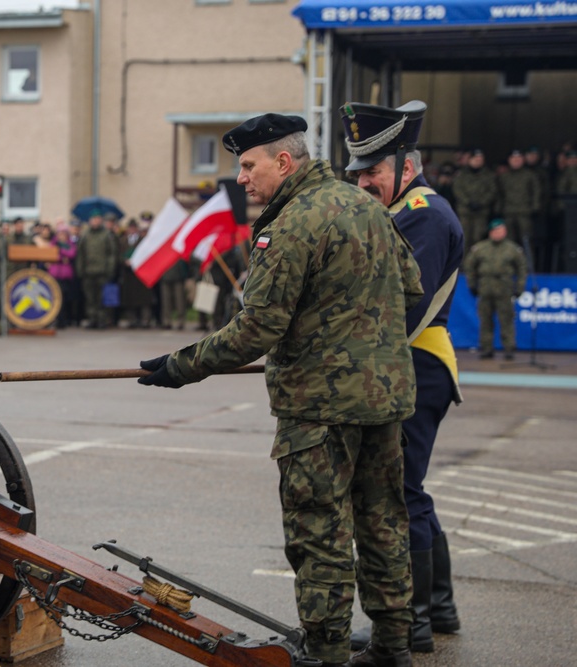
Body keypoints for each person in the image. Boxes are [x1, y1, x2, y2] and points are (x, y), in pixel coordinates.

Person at [138, 113, 423, 667]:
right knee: (383, 522)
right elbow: (411, 286)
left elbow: (256, 329)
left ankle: (327, 654)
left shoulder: (291, 223)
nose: (242, 178)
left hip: (319, 408)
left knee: (320, 534)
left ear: (284, 161)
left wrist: (180, 366)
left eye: (248, 165)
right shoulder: (366, 205)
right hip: (384, 399)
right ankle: (393, 648)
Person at [341, 100, 465, 654]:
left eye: (373, 171)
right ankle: (438, 610)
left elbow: (401, 307)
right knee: (412, 490)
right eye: (359, 173)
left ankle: (412, 620)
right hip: (414, 363)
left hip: (414, 362)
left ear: (406, 168)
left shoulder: (424, 215)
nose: (364, 181)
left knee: (397, 495)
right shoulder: (407, 211)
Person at [464, 219, 527, 360]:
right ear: (490, 232)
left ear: (505, 231)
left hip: (504, 288)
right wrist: (472, 284)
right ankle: (487, 348)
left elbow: (522, 269)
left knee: (506, 319)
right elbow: (469, 266)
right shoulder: (480, 248)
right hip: (486, 287)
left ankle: (509, 348)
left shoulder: (512, 249)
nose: (498, 233)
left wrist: (520, 287)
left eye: (500, 230)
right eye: (495, 231)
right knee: (485, 320)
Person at [75, 212, 118, 329]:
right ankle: (92, 319)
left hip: (102, 272)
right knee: (90, 298)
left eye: (97, 219)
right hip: (88, 272)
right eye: (93, 219)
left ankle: (102, 320)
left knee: (101, 298)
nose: (95, 221)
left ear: (101, 221)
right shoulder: (85, 235)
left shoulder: (106, 235)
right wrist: (80, 270)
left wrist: (110, 269)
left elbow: (111, 254)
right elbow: (81, 254)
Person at [452, 149, 497, 247]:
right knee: (464, 237)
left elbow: (492, 191)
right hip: (465, 211)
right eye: (475, 159)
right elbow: (458, 190)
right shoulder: (461, 174)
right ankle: (463, 261)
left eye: (480, 159)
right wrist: (468, 202)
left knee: (479, 237)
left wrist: (481, 203)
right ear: (470, 160)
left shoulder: (489, 175)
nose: (478, 161)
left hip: (481, 211)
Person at [497, 149, 541, 247]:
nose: (516, 161)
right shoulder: (504, 176)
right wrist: (498, 209)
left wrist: (535, 207)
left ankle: (528, 262)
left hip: (524, 212)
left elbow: (536, 192)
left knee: (526, 240)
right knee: (508, 240)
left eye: (519, 158)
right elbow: (499, 194)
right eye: (513, 158)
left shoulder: (530, 175)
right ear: (509, 160)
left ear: (523, 160)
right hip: (508, 211)